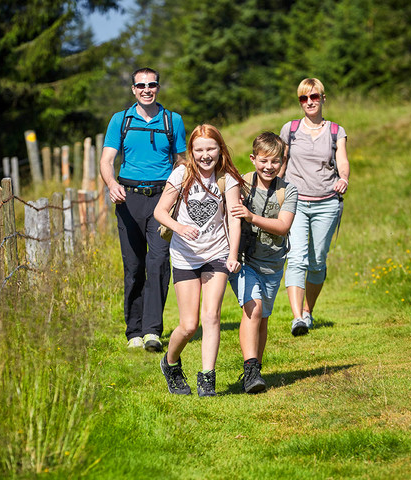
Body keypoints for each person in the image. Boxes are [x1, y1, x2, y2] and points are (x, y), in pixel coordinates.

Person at [99, 67, 186, 352]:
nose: (147, 89)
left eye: (152, 85)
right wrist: (111, 183)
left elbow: (182, 161)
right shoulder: (120, 120)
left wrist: (177, 194)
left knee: (159, 263)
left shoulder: (173, 121)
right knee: (135, 266)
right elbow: (107, 159)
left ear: (158, 87)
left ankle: (152, 331)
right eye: (141, 85)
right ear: (133, 89)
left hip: (163, 198)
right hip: (128, 198)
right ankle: (133, 331)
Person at [154, 124, 244, 396]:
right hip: (184, 256)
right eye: (199, 149)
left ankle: (207, 378)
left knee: (211, 316)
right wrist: (180, 228)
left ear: (220, 149)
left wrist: (232, 254)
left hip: (216, 253)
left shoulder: (227, 178)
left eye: (211, 149)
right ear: (191, 151)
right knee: (189, 325)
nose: (206, 155)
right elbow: (160, 211)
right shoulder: (182, 174)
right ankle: (170, 363)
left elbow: (234, 218)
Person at [279, 77, 350, 336]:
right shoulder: (290, 129)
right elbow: (281, 162)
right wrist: (274, 188)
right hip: (295, 202)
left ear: (322, 98)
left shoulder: (335, 131)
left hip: (327, 203)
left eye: (314, 97)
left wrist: (343, 178)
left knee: (317, 261)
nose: (309, 102)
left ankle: (308, 310)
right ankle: (297, 318)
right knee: (296, 257)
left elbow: (342, 160)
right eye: (303, 98)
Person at [229, 132, 297, 393]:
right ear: (253, 159)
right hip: (245, 259)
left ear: (282, 162)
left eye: (275, 162)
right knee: (253, 309)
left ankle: (255, 369)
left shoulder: (288, 190)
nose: (269, 167)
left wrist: (251, 216)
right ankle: (250, 372)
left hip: (273, 263)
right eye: (264, 161)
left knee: (263, 317)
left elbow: (283, 226)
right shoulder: (241, 184)